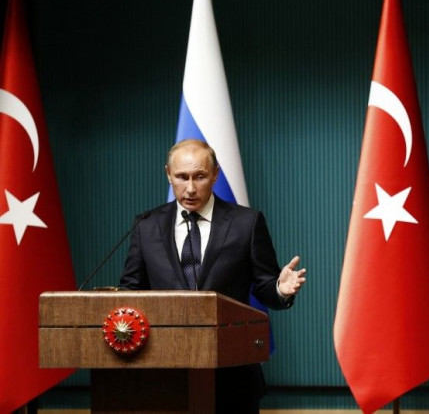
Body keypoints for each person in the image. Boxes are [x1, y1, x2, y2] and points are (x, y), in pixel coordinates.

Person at [119, 139, 306, 413]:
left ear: (215, 174)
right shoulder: (146, 225)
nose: (191, 188)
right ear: (168, 174)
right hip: (163, 374)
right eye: (182, 177)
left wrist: (280, 289)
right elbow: (130, 293)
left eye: (200, 176)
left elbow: (266, 287)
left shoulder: (247, 223)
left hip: (232, 375)